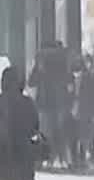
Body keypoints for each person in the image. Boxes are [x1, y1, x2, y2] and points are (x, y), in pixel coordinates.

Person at [29, 41, 71, 169]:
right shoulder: (64, 60)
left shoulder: (41, 60)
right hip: (60, 101)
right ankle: (63, 159)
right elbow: (69, 81)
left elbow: (32, 81)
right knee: (61, 131)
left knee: (46, 132)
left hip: (44, 101)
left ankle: (47, 158)